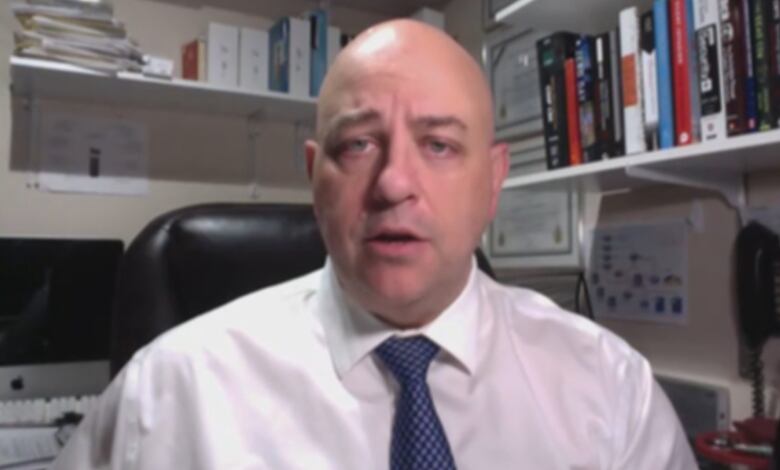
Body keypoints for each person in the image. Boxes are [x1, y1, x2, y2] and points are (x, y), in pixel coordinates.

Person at [52, 19, 696, 469]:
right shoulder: (168, 395)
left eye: (439, 144)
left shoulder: (612, 393)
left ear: (493, 180)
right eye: (358, 144)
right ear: (315, 177)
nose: (392, 182)